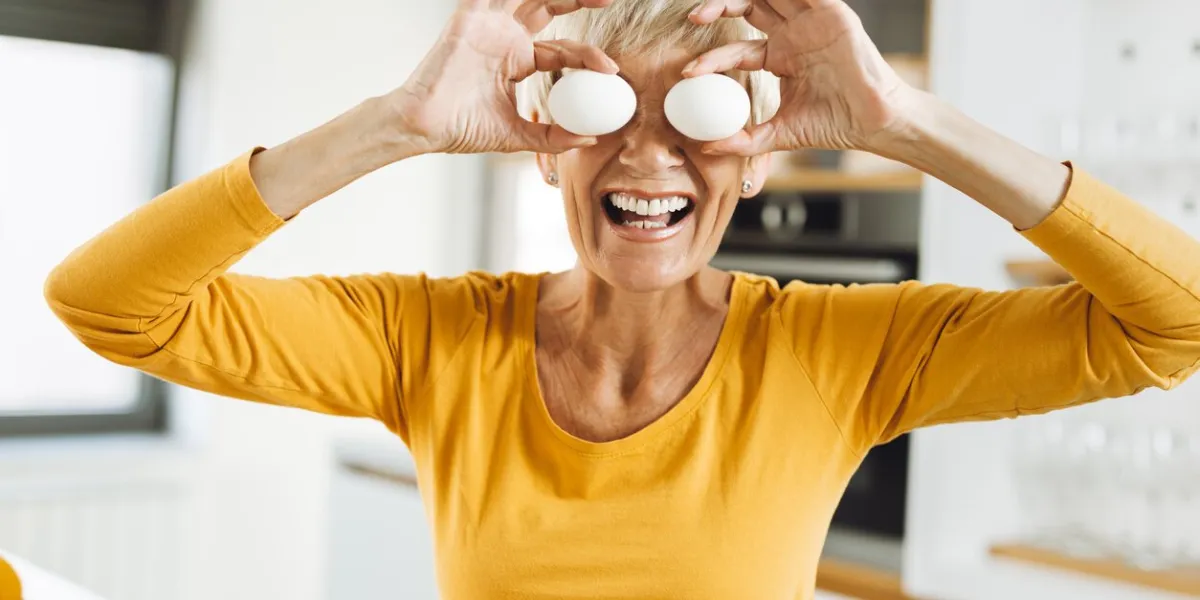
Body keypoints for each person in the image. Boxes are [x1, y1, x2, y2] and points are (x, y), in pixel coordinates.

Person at [44, 0, 1200, 597]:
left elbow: (1175, 321)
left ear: (751, 161)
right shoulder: (434, 341)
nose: (649, 158)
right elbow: (109, 303)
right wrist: (394, 122)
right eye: (610, 119)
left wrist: (907, 124)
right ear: (548, 150)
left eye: (693, 123)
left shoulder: (840, 351)